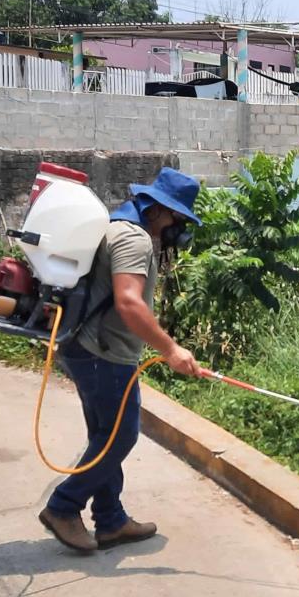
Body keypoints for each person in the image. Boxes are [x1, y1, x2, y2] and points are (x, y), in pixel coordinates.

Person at [38, 167, 206, 553]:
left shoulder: (118, 225)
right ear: (162, 212)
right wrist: (170, 349)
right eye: (179, 220)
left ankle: (111, 520)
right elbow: (129, 302)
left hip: (87, 347)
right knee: (121, 436)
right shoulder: (134, 240)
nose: (178, 230)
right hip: (104, 355)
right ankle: (63, 507)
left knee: (105, 437)